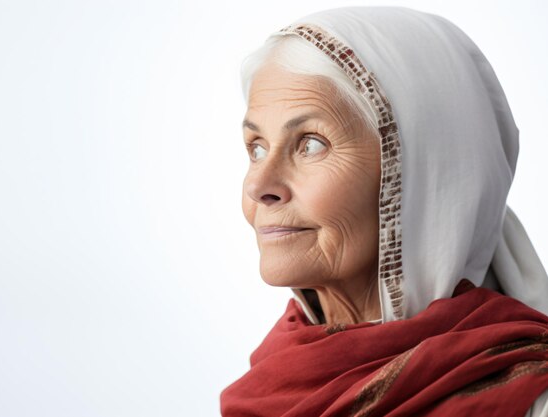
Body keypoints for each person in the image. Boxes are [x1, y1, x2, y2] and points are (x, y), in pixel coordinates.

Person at [220, 6, 548, 416]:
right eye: (257, 148)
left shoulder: (530, 400)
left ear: (419, 176)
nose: (258, 187)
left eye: (312, 144)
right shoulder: (268, 388)